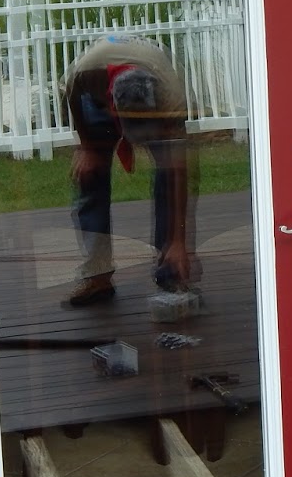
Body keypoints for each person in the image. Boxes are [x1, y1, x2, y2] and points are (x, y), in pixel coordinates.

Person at [61, 37, 194, 307]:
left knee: (167, 175)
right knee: (90, 175)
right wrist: (87, 146)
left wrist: (178, 241)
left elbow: (178, 171)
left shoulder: (170, 96)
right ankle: (96, 276)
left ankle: (169, 272)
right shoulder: (87, 73)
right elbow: (70, 94)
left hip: (152, 91)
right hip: (94, 99)